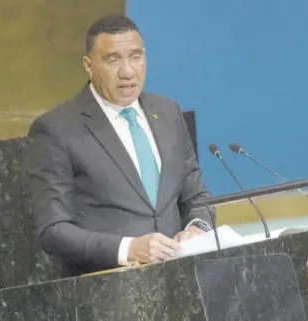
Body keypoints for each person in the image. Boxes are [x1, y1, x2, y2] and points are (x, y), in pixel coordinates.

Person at [25, 14, 214, 277]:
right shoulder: (56, 130)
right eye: (113, 60)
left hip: (181, 280)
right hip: (110, 290)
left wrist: (197, 228)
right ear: (89, 65)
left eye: (136, 57)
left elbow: (195, 196)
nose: (127, 72)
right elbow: (54, 230)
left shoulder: (168, 112)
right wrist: (129, 248)